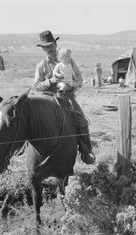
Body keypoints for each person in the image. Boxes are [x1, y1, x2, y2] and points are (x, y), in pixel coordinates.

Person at [34, 30, 95, 164]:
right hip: (48, 97)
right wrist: (51, 81)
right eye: (46, 47)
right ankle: (23, 151)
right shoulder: (42, 65)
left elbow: (79, 78)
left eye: (50, 45)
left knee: (81, 121)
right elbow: (37, 86)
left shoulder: (68, 61)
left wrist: (71, 85)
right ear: (43, 49)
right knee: (33, 121)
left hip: (66, 96)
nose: (49, 49)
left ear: (55, 44)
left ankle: (86, 151)